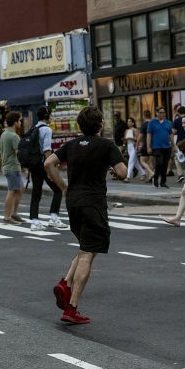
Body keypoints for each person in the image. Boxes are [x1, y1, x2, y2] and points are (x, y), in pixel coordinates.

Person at [45, 106, 127, 324]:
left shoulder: (71, 145)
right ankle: (71, 307)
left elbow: (48, 163)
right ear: (100, 124)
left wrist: (64, 187)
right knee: (89, 253)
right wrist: (113, 172)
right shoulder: (107, 145)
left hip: (73, 203)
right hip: (94, 204)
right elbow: (122, 172)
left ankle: (65, 283)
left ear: (80, 126)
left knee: (86, 248)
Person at [28, 106, 66, 231]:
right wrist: (51, 167)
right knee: (58, 189)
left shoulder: (33, 128)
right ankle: (54, 217)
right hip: (44, 164)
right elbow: (47, 150)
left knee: (36, 192)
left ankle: (34, 221)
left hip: (34, 164)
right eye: (50, 114)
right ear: (47, 116)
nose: (51, 117)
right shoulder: (47, 130)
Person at [0, 111, 24, 224]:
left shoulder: (4, 134)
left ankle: (15, 214)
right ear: (15, 122)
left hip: (8, 165)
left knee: (20, 188)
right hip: (13, 166)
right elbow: (18, 153)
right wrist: (26, 167)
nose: (20, 123)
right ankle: (7, 217)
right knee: (12, 191)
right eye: (19, 121)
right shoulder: (14, 136)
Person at [147, 105, 176, 188]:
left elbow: (170, 134)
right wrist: (149, 147)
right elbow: (149, 135)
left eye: (164, 112)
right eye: (160, 112)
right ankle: (155, 178)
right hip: (156, 146)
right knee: (159, 162)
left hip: (167, 146)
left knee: (165, 164)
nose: (162, 114)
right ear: (156, 113)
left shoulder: (167, 122)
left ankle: (163, 182)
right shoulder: (152, 122)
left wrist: (173, 145)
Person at [123, 117, 145, 182]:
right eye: (128, 121)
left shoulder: (134, 130)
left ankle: (128, 176)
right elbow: (125, 139)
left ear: (133, 123)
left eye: (130, 121)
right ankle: (143, 174)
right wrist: (124, 144)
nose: (128, 123)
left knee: (131, 161)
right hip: (129, 146)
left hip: (133, 146)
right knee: (135, 162)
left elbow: (138, 139)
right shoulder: (127, 130)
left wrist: (131, 138)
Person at [137, 110, 155, 183]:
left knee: (142, 161)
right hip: (153, 144)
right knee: (150, 161)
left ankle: (151, 173)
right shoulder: (153, 123)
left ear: (144, 116)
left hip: (146, 144)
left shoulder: (144, 124)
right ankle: (151, 177)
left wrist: (137, 144)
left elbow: (140, 136)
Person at [173, 106, 185, 182]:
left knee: (177, 158)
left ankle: (180, 174)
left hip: (179, 142)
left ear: (178, 112)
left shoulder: (176, 120)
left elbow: (173, 131)